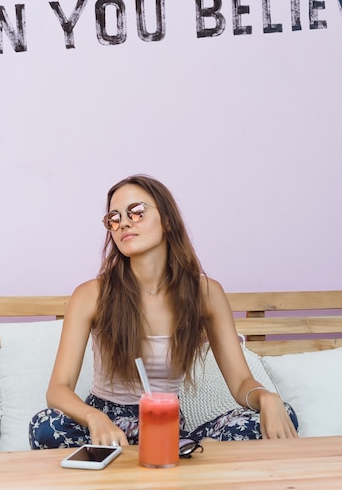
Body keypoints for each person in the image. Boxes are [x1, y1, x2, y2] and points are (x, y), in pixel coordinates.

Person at [29, 174, 298, 449]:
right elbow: (58, 389)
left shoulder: (206, 293)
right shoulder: (91, 295)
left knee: (279, 415)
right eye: (114, 218)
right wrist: (94, 418)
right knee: (45, 425)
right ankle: (180, 459)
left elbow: (241, 381)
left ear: (167, 221)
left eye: (136, 212)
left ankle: (186, 450)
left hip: (167, 428)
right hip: (106, 430)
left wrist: (265, 396)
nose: (123, 223)